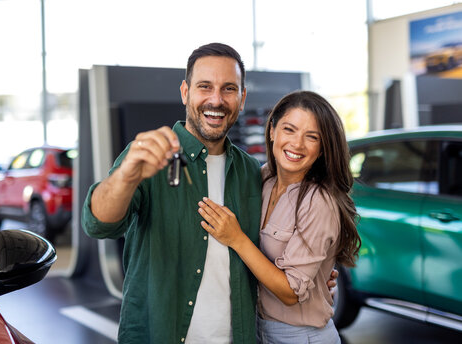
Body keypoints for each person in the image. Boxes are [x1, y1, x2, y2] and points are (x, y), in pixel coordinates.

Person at [81, 43, 337, 343]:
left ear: (242, 99)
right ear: (185, 92)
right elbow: (98, 224)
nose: (216, 100)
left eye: (228, 89)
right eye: (205, 87)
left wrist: (319, 278)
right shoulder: (149, 158)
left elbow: (275, 248)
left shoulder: (251, 172)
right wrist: (126, 175)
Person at [197, 91, 361, 344]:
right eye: (290, 129)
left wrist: (236, 239)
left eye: (312, 137)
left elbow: (290, 294)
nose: (297, 144)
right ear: (272, 131)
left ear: (323, 148)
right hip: (258, 330)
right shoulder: (261, 179)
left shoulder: (318, 200)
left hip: (301, 336)